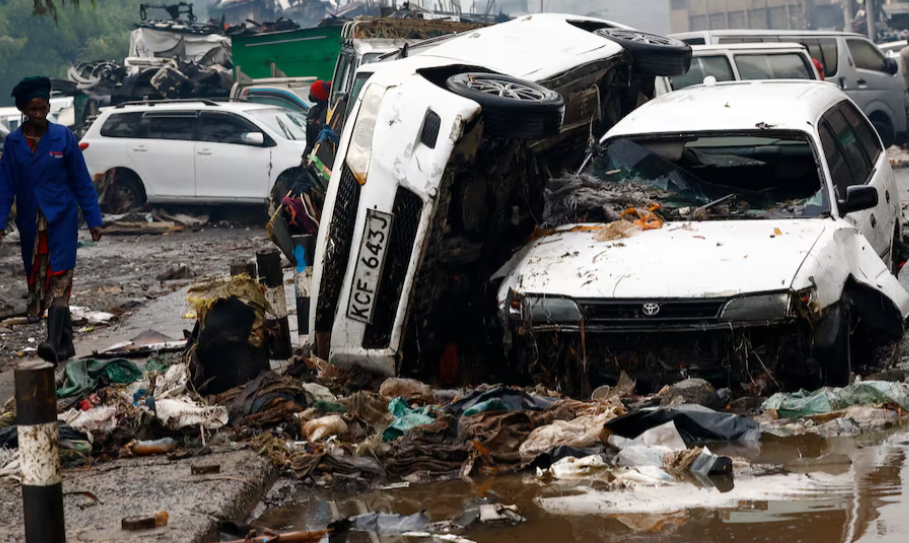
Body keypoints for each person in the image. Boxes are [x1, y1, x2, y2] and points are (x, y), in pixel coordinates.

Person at [0, 76, 104, 364]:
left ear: (48, 107)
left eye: (42, 108)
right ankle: (67, 346)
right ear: (23, 110)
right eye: (32, 110)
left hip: (62, 223)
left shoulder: (64, 138)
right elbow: (5, 188)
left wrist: (94, 220)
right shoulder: (13, 143)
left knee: (60, 282)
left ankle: (51, 344)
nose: (37, 114)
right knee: (40, 284)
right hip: (31, 228)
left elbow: (82, 182)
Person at [303, 79, 331, 160]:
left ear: (319, 94)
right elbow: (310, 141)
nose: (310, 94)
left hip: (325, 156)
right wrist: (305, 156)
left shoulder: (327, 111)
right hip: (316, 155)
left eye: (312, 92)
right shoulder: (313, 111)